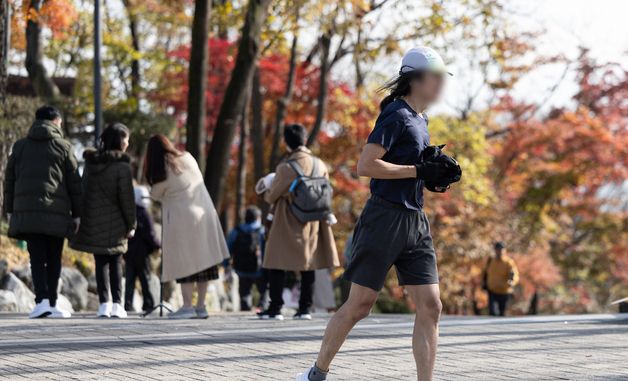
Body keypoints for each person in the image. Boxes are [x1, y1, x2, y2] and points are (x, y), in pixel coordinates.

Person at [296, 47, 460, 381]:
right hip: (384, 217)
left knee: (432, 305)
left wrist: (429, 176)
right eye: (436, 77)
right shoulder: (397, 114)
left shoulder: (421, 119)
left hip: (415, 220)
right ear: (415, 79)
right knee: (360, 304)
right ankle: (317, 372)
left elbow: (412, 168)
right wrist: (417, 170)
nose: (442, 83)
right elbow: (366, 165)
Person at [3, 105, 81, 318]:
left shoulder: (19, 147)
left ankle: (41, 302)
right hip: (56, 213)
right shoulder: (64, 147)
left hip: (27, 214)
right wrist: (77, 214)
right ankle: (53, 304)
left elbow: (9, 181)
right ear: (56, 121)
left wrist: (9, 211)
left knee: (36, 257)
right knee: (54, 257)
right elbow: (75, 183)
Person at [258, 124, 339, 321]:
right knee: (308, 264)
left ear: (286, 143)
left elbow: (271, 196)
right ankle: (304, 308)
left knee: (277, 262)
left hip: (287, 220)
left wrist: (264, 186)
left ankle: (275, 308)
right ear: (304, 140)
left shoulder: (286, 167)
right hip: (313, 221)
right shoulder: (320, 165)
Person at [145, 135, 230, 319]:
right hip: (205, 214)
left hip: (183, 221)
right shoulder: (188, 157)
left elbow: (154, 194)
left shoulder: (162, 171)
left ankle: (187, 306)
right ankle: (201, 306)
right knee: (204, 264)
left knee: (186, 264)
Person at [71, 123, 136, 318]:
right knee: (116, 261)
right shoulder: (122, 167)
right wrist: (131, 224)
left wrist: (81, 217)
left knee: (100, 262)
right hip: (117, 223)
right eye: (125, 139)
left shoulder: (91, 164)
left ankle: (103, 305)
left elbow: (84, 191)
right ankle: (117, 304)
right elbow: (127, 199)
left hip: (94, 220)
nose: (127, 143)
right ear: (119, 141)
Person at [124, 185, 160, 313]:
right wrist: (158, 245)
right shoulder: (144, 213)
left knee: (130, 280)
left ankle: (127, 304)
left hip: (129, 253)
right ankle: (148, 304)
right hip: (142, 254)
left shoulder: (129, 213)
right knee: (145, 279)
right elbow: (150, 234)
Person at [225, 205, 268, 311]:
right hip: (259, 269)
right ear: (258, 217)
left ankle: (245, 310)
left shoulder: (237, 231)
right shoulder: (262, 231)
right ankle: (263, 308)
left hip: (241, 268)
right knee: (264, 291)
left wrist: (226, 264)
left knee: (244, 293)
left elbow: (228, 248)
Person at [484, 241, 519, 316]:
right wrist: (484, 284)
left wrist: (512, 282)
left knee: (502, 314)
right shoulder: (490, 261)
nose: (499, 251)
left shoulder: (509, 262)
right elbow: (485, 273)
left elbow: (514, 274)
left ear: (504, 250)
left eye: (501, 249)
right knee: (492, 313)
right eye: (497, 249)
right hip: (492, 291)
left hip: (504, 292)